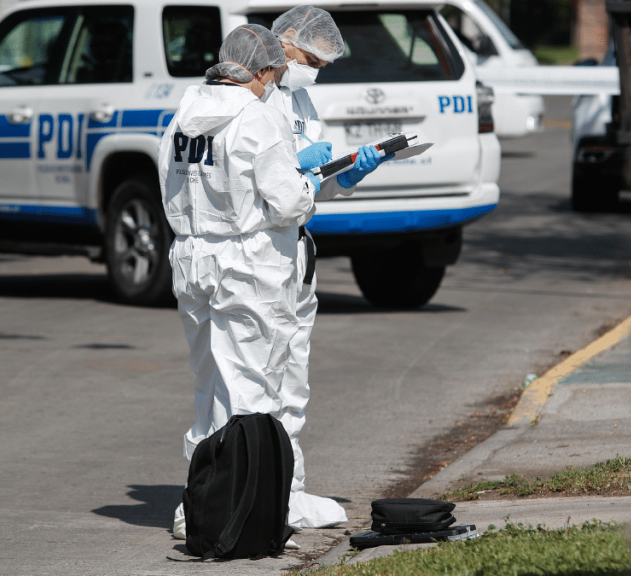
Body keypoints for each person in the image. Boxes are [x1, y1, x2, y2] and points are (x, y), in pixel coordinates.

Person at [157, 24, 332, 542]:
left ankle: (199, 508)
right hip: (248, 267)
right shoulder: (254, 119)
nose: (271, 84)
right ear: (257, 72)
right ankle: (244, 512)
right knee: (253, 389)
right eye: (272, 75)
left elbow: (170, 186)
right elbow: (288, 203)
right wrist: (310, 183)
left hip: (192, 257)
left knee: (209, 388)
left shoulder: (182, 117)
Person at [264, 5, 391, 530]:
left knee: (292, 377)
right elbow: (263, 176)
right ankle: (236, 485)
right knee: (251, 378)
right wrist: (302, 170)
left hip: (296, 249)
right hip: (259, 252)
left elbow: (311, 177)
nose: (315, 68)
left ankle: (286, 487)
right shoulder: (253, 98)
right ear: (284, 42)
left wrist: (346, 174)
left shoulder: (301, 99)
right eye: (311, 57)